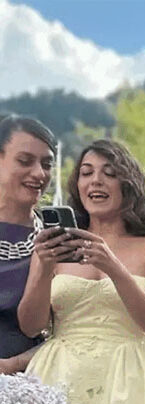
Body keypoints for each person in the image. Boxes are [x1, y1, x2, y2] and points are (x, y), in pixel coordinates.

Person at [18, 139, 145, 404]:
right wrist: (43, 268)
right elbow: (31, 326)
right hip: (60, 376)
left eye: (109, 173)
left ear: (129, 184)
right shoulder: (53, 246)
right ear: (78, 185)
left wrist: (114, 268)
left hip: (131, 378)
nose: (96, 180)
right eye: (86, 173)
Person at [0, 115, 56, 374]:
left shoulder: (59, 238)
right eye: (25, 161)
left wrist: (12, 365)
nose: (39, 174)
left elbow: (74, 331)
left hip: (33, 380)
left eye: (47, 164)